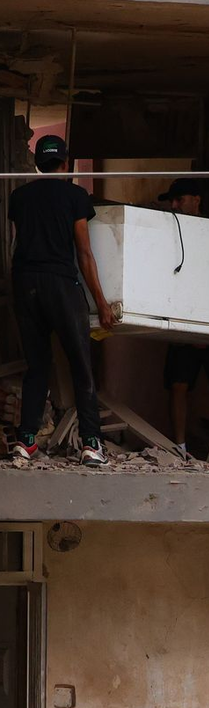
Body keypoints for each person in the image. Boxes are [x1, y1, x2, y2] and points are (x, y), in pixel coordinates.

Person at [8, 134, 114, 466]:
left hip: (24, 284)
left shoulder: (19, 196)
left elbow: (16, 243)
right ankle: (92, 443)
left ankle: (26, 441)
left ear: (39, 163)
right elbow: (84, 252)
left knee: (36, 366)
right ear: (66, 163)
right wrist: (101, 300)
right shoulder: (75, 196)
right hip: (59, 284)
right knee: (81, 365)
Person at [159, 179, 209, 463]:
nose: (174, 206)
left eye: (180, 200)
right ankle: (178, 447)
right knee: (178, 384)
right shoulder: (169, 233)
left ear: (197, 199)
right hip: (183, 322)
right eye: (172, 201)